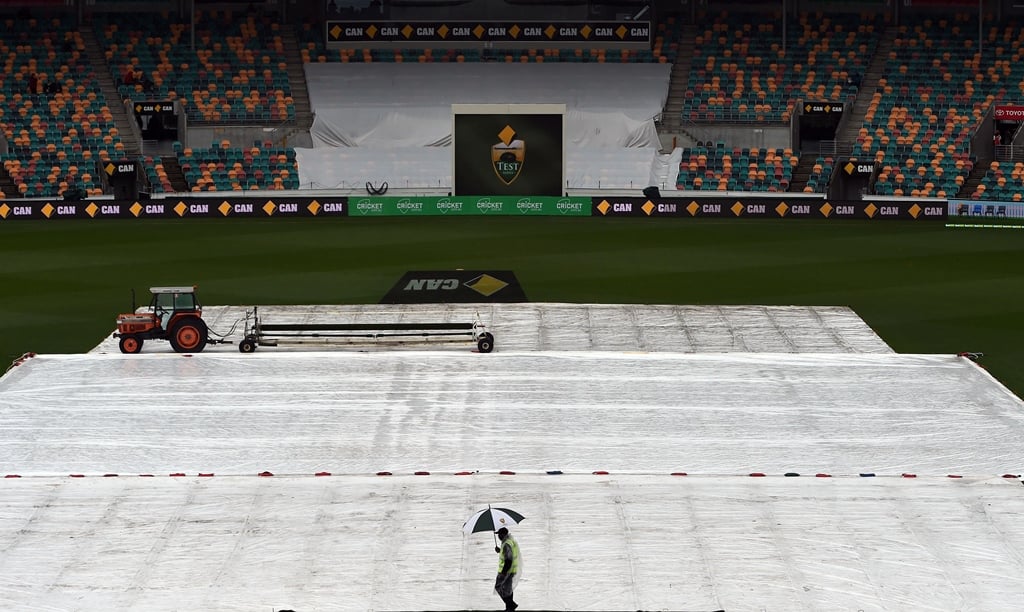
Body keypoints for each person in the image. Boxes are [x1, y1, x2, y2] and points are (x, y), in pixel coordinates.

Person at [494, 527, 520, 611]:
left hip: (507, 570)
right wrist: (500, 550)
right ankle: (509, 608)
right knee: (508, 589)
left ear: (503, 534)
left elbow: (508, 559)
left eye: (499, 534)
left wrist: (503, 572)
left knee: (498, 587)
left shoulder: (506, 544)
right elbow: (510, 553)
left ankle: (511, 604)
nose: (498, 536)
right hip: (513, 569)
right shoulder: (511, 541)